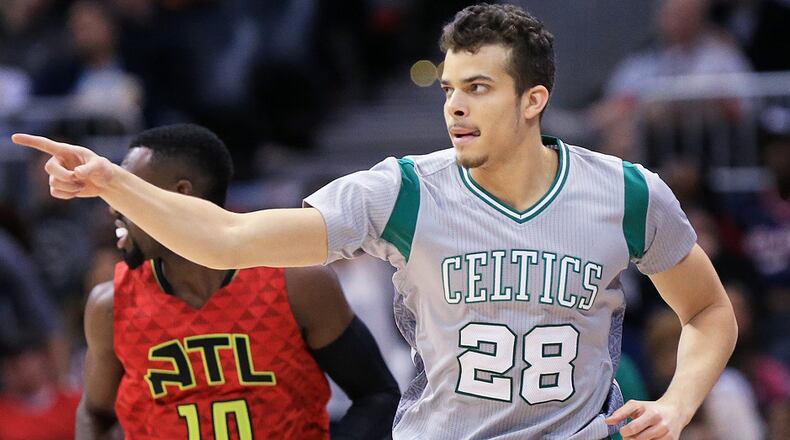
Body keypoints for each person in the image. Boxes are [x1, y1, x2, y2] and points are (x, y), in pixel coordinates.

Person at [14, 4, 737, 439]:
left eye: (478, 88)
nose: (454, 105)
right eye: (450, 87)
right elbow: (229, 237)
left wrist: (677, 404)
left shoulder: (628, 193)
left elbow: (707, 310)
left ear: (533, 99)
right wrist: (109, 178)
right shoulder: (402, 192)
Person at [72, 124, 400, 439]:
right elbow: (95, 415)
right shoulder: (110, 306)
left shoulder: (296, 283)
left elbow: (378, 395)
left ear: (181, 194)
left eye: (132, 192)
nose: (115, 208)